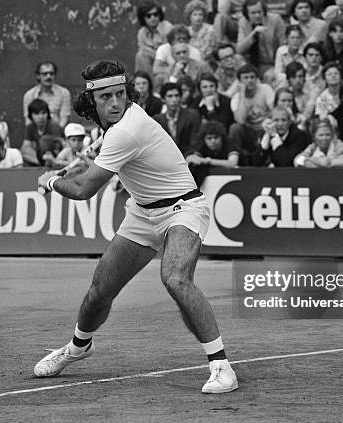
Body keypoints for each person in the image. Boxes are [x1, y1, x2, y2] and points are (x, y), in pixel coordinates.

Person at [35, 59, 238, 394]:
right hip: (143, 213)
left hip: (183, 209)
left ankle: (221, 366)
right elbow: (102, 162)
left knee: (175, 278)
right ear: (92, 102)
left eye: (120, 94)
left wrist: (53, 181)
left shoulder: (126, 131)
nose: (115, 102)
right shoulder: (116, 130)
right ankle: (78, 346)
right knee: (100, 290)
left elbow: (84, 189)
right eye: (106, 98)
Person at [228, 63, 274, 165]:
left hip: (265, 129)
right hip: (248, 132)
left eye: (252, 77)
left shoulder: (265, 89)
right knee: (235, 128)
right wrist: (242, 95)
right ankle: (238, 162)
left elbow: (274, 111)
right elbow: (240, 120)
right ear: (239, 81)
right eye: (246, 78)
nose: (249, 80)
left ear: (257, 78)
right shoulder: (236, 98)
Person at [236, 0, 287, 82]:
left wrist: (276, 67)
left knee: (269, 76)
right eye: (253, 13)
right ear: (247, 14)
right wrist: (253, 34)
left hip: (270, 63)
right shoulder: (243, 22)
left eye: (259, 12)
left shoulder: (276, 20)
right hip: (250, 62)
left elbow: (283, 46)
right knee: (238, 59)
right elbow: (239, 49)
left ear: (264, 11)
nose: (257, 16)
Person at [153, 82, 201, 155]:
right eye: (170, 96)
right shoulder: (157, 119)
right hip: (165, 159)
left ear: (180, 97)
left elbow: (195, 142)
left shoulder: (192, 115)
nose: (174, 99)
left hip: (189, 157)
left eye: (177, 96)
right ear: (163, 99)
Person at [23, 61, 71, 128]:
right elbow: (28, 120)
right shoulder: (29, 95)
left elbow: (64, 119)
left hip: (58, 134)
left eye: (51, 74)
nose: (49, 76)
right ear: (38, 76)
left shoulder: (64, 93)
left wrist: (55, 133)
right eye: (44, 74)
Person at [21, 98, 64, 166]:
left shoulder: (54, 126)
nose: (41, 117)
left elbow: (59, 148)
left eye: (43, 113)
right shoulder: (30, 127)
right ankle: (42, 164)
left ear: (48, 114)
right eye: (36, 114)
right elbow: (26, 147)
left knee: (44, 141)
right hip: (40, 158)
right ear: (31, 115)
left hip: (55, 156)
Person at [135, 1, 172, 75]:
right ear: (143, 18)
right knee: (140, 56)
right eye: (149, 16)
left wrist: (151, 51)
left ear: (159, 15)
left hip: (166, 62)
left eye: (155, 14)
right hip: (149, 63)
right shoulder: (141, 32)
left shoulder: (167, 27)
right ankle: (144, 81)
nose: (153, 18)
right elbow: (142, 50)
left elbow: (168, 52)